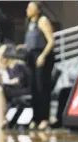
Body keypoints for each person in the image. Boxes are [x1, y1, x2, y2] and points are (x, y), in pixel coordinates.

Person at [18, 1, 55, 131]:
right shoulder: (29, 23)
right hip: (31, 57)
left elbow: (51, 41)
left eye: (30, 7)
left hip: (42, 56)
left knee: (42, 88)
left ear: (38, 10)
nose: (27, 9)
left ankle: (44, 118)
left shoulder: (42, 20)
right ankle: (36, 118)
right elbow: (31, 42)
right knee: (34, 88)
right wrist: (23, 47)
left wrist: (43, 56)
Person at [0, 45, 31, 130]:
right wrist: (1, 70)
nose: (0, 58)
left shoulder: (17, 64)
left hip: (23, 89)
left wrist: (4, 83)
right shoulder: (5, 67)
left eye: (1, 55)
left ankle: (1, 120)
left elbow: (18, 80)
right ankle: (2, 119)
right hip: (13, 89)